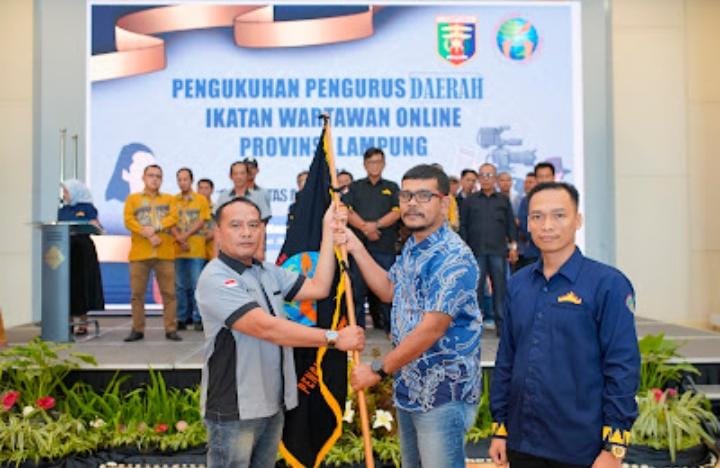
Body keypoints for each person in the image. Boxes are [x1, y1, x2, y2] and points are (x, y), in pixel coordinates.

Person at [195, 197, 364, 468]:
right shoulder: (216, 278)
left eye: (254, 225)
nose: (247, 232)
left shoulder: (266, 272)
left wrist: (327, 232)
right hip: (235, 408)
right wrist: (333, 338)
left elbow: (319, 287)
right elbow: (266, 328)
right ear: (218, 232)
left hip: (272, 405)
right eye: (236, 225)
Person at [489, 182, 640, 468]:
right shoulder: (519, 284)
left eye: (559, 215)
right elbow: (507, 358)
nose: (547, 226)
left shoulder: (608, 284)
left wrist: (614, 447)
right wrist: (500, 427)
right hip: (523, 442)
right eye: (537, 217)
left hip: (582, 447)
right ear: (528, 224)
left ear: (577, 220)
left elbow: (622, 365)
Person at [342, 164, 482, 468]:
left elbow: (432, 329)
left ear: (444, 203)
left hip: (443, 395)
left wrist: (378, 370)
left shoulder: (452, 256)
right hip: (410, 386)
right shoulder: (413, 247)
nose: (412, 203)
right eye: (406, 196)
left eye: (423, 196)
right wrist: (355, 247)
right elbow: (389, 290)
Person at [342, 147, 400, 331]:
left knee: (388, 290)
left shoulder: (392, 187)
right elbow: (346, 210)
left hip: (385, 247)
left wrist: (376, 225)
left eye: (378, 162)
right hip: (359, 248)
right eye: (371, 162)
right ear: (365, 165)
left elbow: (397, 212)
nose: (375, 166)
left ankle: (392, 330)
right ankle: (357, 329)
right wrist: (365, 228)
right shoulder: (355, 187)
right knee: (357, 292)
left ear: (384, 164)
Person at [123, 164, 181, 342]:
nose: (154, 179)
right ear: (143, 178)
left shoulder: (169, 199)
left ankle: (171, 328)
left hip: (164, 253)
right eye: (151, 175)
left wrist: (155, 228)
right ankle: (137, 329)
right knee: (137, 294)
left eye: (158, 176)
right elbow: (128, 220)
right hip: (140, 254)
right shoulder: (133, 199)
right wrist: (146, 233)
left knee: (169, 294)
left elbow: (174, 217)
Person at [459, 163, 517, 332]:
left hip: (498, 251)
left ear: (495, 178)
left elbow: (510, 225)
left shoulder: (503, 200)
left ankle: (502, 325)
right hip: (475, 251)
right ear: (479, 178)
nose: (486, 179)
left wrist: (513, 246)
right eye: (483, 175)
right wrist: (464, 249)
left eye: (489, 175)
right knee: (475, 289)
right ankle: (475, 325)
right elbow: (463, 226)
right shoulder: (470, 200)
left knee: (500, 288)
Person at [58, 179, 105, 336]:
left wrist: (93, 224)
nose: (64, 195)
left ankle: (83, 322)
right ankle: (68, 321)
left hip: (82, 250)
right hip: (65, 248)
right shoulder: (62, 210)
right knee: (67, 284)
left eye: (66, 191)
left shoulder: (88, 208)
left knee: (82, 284)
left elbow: (95, 225)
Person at [173, 168, 211, 331]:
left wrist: (185, 236)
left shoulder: (200, 200)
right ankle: (182, 317)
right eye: (180, 180)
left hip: (196, 249)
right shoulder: (172, 200)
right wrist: (179, 238)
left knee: (197, 285)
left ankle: (198, 318)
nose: (182, 183)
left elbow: (202, 221)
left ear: (191, 181)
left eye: (185, 179)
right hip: (178, 249)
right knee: (180, 286)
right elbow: (170, 221)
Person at [216, 161, 272, 260]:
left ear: (247, 175)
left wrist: (260, 249)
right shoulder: (223, 197)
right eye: (236, 174)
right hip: (228, 249)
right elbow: (217, 227)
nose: (239, 177)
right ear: (230, 176)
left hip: (251, 246)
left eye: (242, 173)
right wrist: (215, 252)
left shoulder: (258, 197)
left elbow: (261, 225)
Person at [516, 162, 554, 270]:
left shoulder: (562, 199)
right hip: (534, 252)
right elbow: (524, 223)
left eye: (547, 176)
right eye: (541, 177)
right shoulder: (527, 200)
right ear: (536, 179)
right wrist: (542, 237)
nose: (544, 180)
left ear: (553, 178)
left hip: (556, 251)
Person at [197, 178, 217, 260]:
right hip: (195, 252)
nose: (203, 191)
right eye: (200, 188)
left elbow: (221, 228)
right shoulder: (192, 208)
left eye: (206, 188)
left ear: (212, 190)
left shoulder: (216, 209)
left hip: (212, 252)